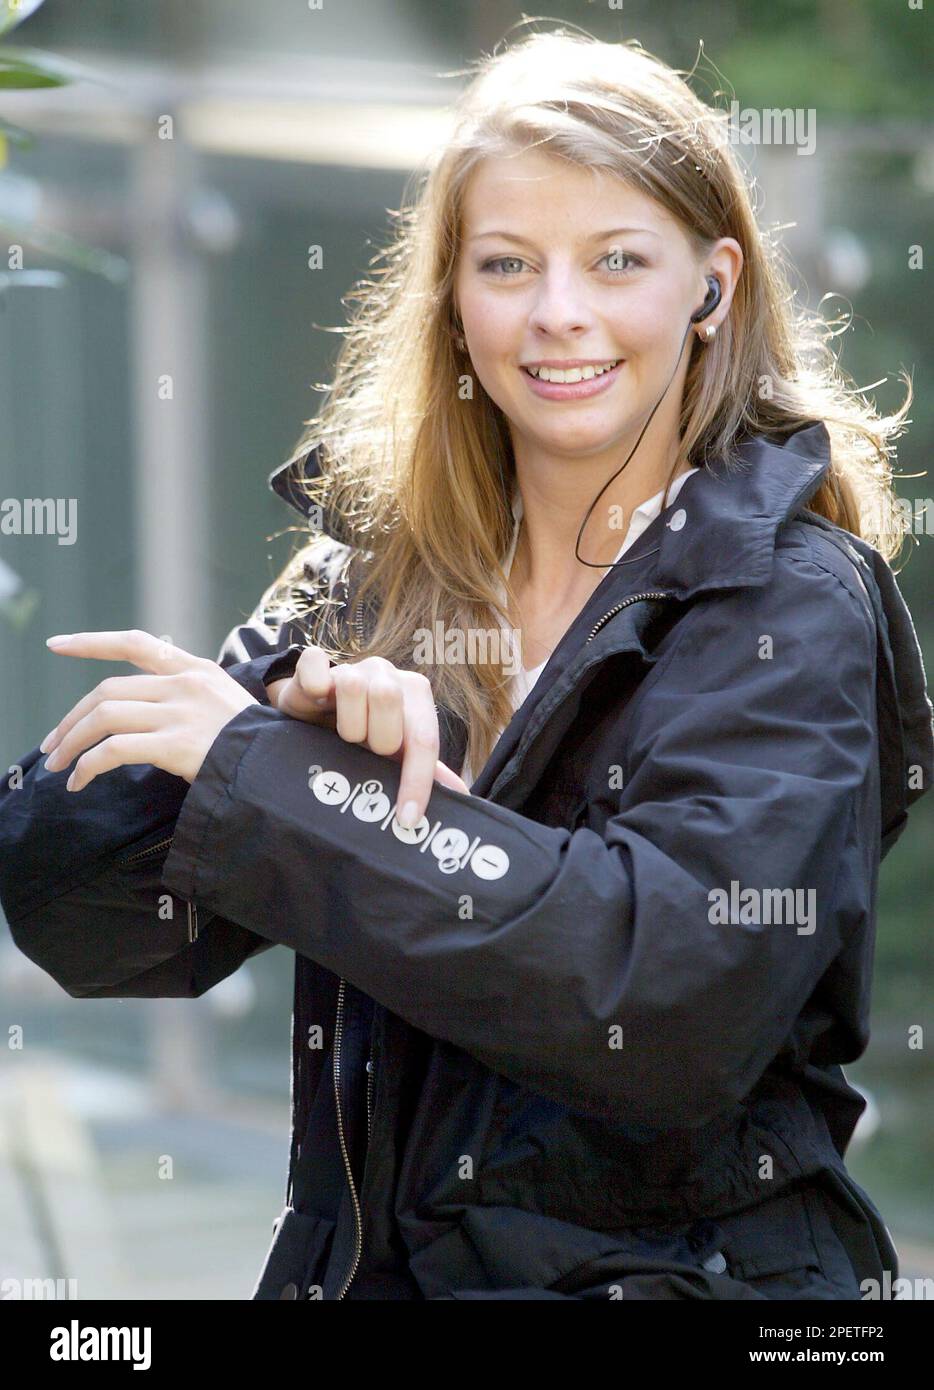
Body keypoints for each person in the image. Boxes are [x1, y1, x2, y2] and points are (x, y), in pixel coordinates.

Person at [1, 30, 932, 1301]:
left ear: (710, 287)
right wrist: (288, 730)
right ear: (450, 292)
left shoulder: (792, 604)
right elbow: (90, 928)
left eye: (617, 261)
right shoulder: (377, 568)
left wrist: (298, 791)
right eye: (507, 264)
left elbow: (658, 1004)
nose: (559, 312)